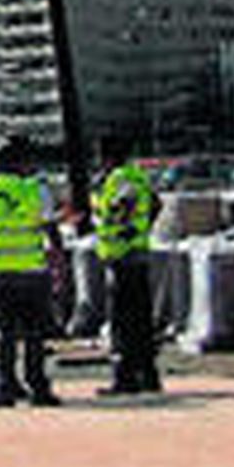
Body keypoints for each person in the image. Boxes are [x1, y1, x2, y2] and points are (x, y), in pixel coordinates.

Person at [0, 139, 61, 408]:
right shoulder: (37, 190)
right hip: (32, 270)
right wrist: (58, 260)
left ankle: (4, 387)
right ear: (23, 162)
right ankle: (38, 387)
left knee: (3, 332)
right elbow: (50, 229)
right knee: (35, 333)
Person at [93, 155, 163, 395]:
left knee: (122, 320)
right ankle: (148, 374)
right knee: (141, 319)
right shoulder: (139, 177)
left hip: (122, 256)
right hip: (138, 253)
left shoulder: (120, 178)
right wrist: (142, 229)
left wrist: (122, 226)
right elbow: (156, 204)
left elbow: (124, 203)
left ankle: (124, 377)